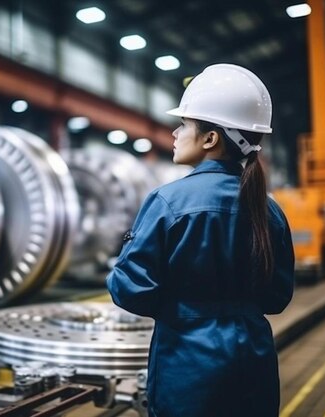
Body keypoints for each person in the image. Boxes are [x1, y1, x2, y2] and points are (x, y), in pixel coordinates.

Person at [106, 63, 295, 417]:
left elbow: (130, 290)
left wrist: (181, 308)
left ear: (211, 139)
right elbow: (277, 297)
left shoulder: (168, 202)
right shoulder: (269, 211)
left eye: (184, 125)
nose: (175, 134)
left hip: (187, 369)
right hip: (254, 365)